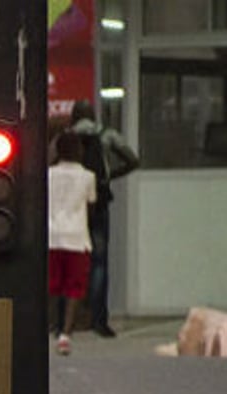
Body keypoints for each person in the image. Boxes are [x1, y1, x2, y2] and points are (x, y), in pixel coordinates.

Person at [69, 99, 139, 338]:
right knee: (99, 263)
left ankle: (66, 321)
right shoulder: (107, 135)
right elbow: (133, 160)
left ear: (74, 116)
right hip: (99, 204)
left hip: (73, 207)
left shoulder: (66, 137)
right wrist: (109, 178)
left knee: (70, 260)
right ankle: (99, 321)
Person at [48, 129, 97, 356]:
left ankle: (47, 327)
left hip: (51, 235)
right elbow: (91, 204)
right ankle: (65, 335)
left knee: (51, 286)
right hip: (77, 237)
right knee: (74, 289)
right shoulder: (88, 176)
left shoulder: (47, 174)